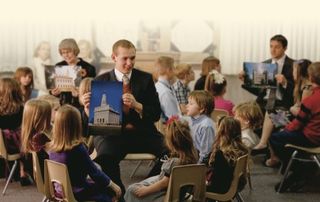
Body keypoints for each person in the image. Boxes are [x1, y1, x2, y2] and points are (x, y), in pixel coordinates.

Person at [81, 39, 166, 199]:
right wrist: (87, 110)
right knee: (105, 158)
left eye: (132, 58)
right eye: (124, 58)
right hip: (111, 135)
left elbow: (155, 114)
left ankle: (143, 189)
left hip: (142, 132)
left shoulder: (146, 79)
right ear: (114, 57)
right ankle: (121, 196)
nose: (129, 63)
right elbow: (88, 125)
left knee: (172, 152)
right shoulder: (100, 81)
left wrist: (138, 105)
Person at [48, 105, 121, 202]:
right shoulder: (77, 149)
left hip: (60, 192)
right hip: (77, 192)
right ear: (77, 125)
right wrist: (113, 185)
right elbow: (94, 172)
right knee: (108, 192)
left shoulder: (52, 148)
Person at [269, 62, 320, 192]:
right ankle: (300, 170)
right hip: (316, 135)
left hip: (311, 138)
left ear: (311, 77)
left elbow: (298, 124)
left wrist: (285, 129)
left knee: (275, 138)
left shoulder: (311, 100)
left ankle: (298, 170)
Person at [124, 117, 198, 202]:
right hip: (181, 194)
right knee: (139, 185)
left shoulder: (175, 162)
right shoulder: (194, 155)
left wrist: (145, 191)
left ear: (171, 142)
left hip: (167, 195)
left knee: (131, 190)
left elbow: (164, 183)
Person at [241, 34, 294, 112]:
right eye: (271, 46)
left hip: (283, 104)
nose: (273, 50)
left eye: (277, 47)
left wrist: (285, 83)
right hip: (263, 102)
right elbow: (258, 91)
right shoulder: (263, 64)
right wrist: (246, 80)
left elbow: (297, 90)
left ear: (285, 48)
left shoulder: (293, 65)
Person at [0, 78, 31, 185]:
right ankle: (23, 171)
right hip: (13, 144)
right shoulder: (21, 108)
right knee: (25, 140)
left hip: (2, 146)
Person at [206, 116, 248, 194]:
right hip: (235, 186)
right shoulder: (241, 149)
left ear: (221, 131)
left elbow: (217, 180)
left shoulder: (221, 154)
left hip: (221, 189)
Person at [51, 38, 96, 107]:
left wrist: (80, 94)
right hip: (63, 106)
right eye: (63, 53)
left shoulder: (89, 68)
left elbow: (92, 91)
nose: (66, 55)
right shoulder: (58, 66)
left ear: (75, 51)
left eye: (68, 52)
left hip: (82, 106)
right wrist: (53, 93)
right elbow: (54, 88)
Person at [21, 99, 52, 178]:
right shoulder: (40, 137)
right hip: (48, 175)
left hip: (38, 174)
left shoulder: (28, 134)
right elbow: (55, 156)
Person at [186, 90, 215, 163]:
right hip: (193, 158)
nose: (187, 105)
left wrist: (197, 167)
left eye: (191, 104)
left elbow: (206, 153)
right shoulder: (191, 120)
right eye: (188, 102)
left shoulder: (206, 126)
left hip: (201, 165)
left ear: (202, 109)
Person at [155, 56, 181, 122]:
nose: (175, 71)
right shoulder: (165, 92)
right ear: (169, 70)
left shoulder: (159, 86)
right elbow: (174, 119)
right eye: (174, 68)